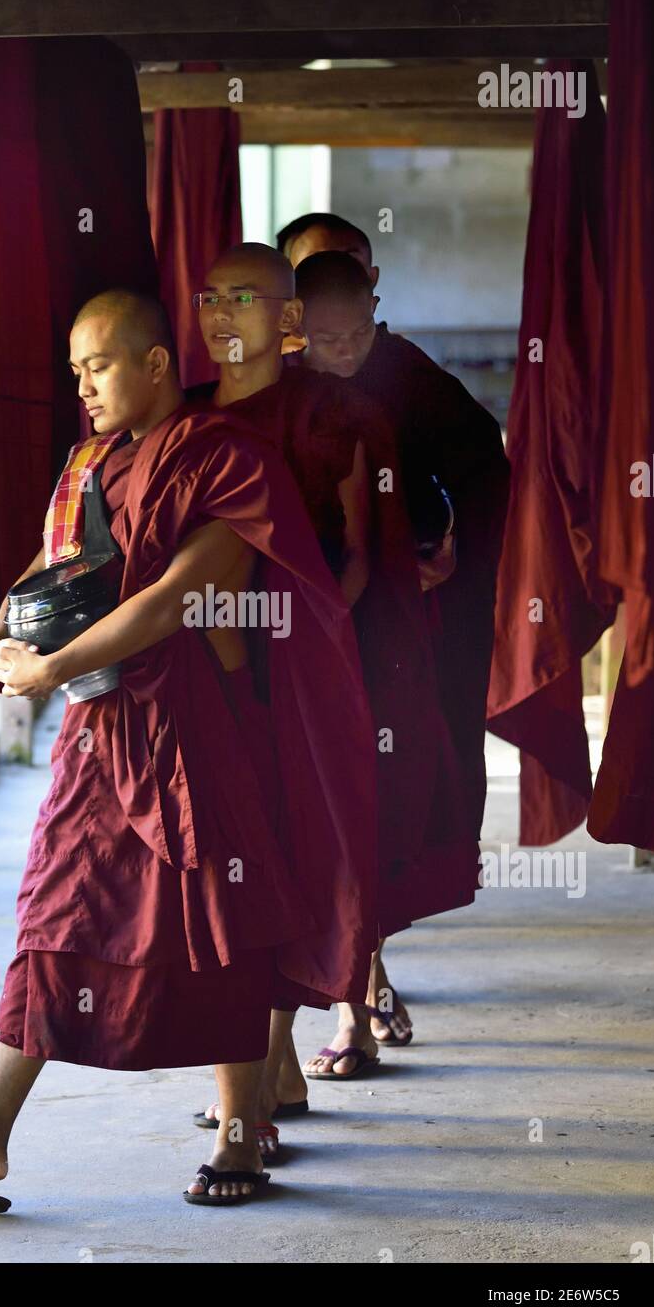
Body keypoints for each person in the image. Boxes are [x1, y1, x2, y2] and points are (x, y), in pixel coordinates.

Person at [0, 289, 379, 1210]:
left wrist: (54, 662)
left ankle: (238, 1133)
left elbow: (178, 596)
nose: (84, 387)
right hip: (99, 728)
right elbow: (47, 567)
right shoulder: (88, 463)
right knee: (53, 913)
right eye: (74, 371)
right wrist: (0, 639)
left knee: (218, 918)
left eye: (98, 366)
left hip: (196, 729)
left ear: (151, 365)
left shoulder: (225, 458)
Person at [188, 244, 464, 1140]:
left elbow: (353, 559)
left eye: (247, 298)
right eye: (210, 298)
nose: (225, 315)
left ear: (288, 318)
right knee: (227, 865)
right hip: (200, 670)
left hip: (306, 669)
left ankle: (270, 1060)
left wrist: (289, 638)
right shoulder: (184, 419)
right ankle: (262, 1069)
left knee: (300, 850)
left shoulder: (342, 414)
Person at [290, 240, 511, 1044]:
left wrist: (441, 543)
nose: (344, 355)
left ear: (374, 313)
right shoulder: (269, 395)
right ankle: (270, 1052)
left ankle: (360, 986)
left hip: (389, 634)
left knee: (372, 805)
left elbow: (477, 471)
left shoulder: (405, 378)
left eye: (356, 338)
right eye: (325, 339)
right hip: (293, 635)